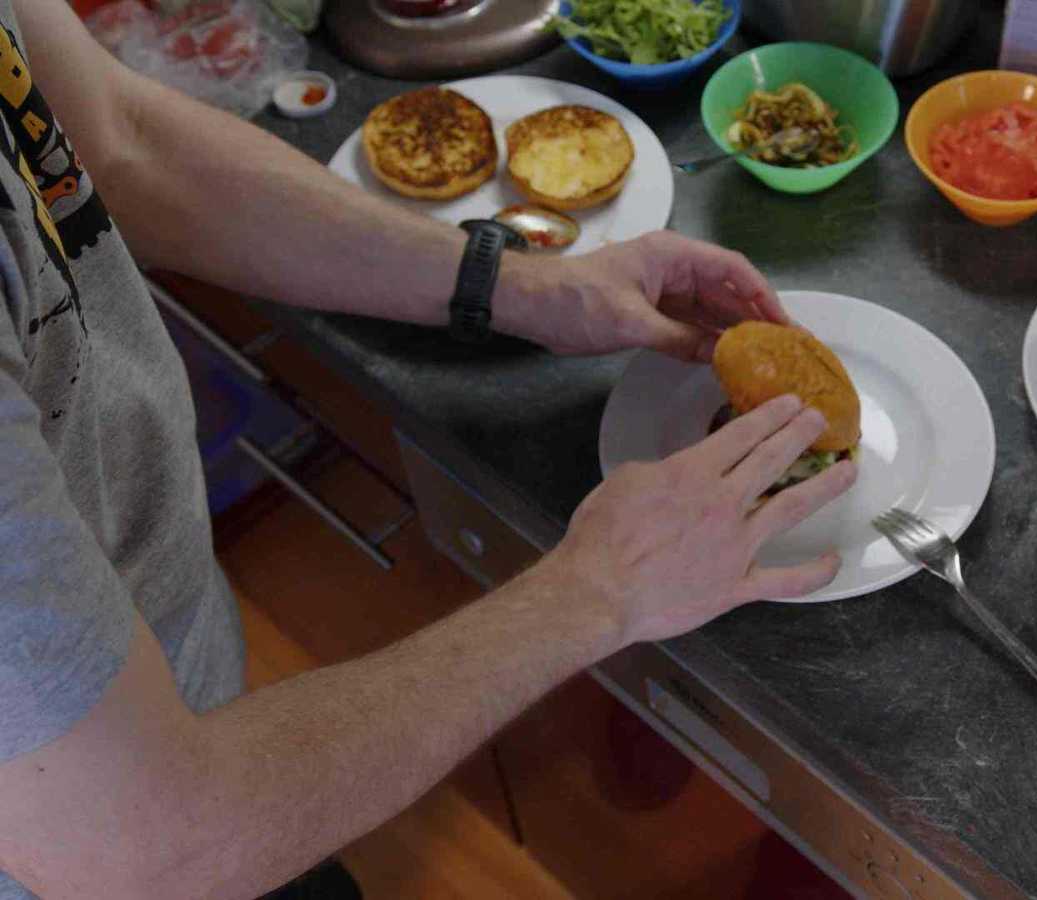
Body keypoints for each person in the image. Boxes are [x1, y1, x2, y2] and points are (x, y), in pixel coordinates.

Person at [0, 0, 857, 896]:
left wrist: (519, 285)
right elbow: (151, 841)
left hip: (180, 722)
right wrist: (598, 589)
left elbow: (115, 139)